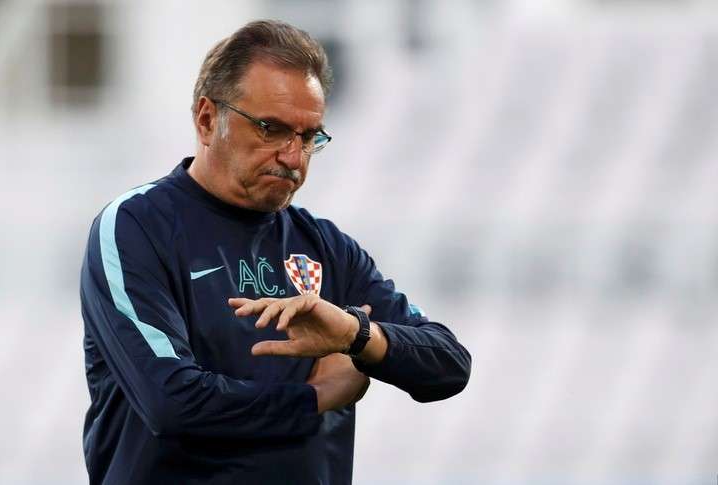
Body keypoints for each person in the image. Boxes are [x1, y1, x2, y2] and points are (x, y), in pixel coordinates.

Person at [80, 19, 471, 485]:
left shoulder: (325, 246)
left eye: (308, 137)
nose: (293, 156)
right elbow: (173, 404)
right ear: (207, 119)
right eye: (271, 128)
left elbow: (449, 364)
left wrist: (356, 334)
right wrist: (316, 396)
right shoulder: (137, 226)